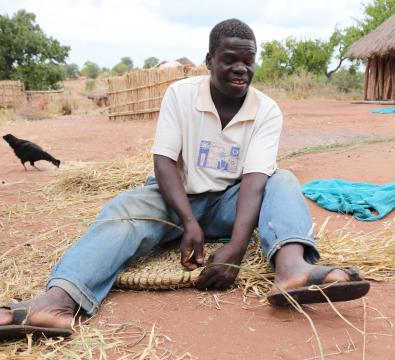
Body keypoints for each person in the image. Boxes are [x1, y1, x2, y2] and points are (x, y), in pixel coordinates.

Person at [0, 19, 369, 340]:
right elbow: (163, 162)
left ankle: (291, 271)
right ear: (209, 61)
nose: (242, 69)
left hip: (230, 202)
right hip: (172, 199)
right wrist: (189, 221)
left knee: (283, 179)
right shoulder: (180, 94)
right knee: (123, 210)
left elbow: (256, 181)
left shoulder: (266, 110)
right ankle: (56, 304)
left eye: (248, 61)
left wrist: (236, 250)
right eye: (230, 60)